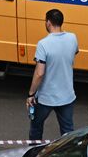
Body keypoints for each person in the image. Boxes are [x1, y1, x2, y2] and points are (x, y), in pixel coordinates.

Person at [27, 8, 78, 141]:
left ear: (48, 23)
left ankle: (34, 155)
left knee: (36, 128)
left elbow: (39, 73)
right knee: (67, 133)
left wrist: (31, 94)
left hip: (46, 98)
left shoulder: (43, 44)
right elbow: (75, 52)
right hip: (67, 96)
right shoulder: (72, 38)